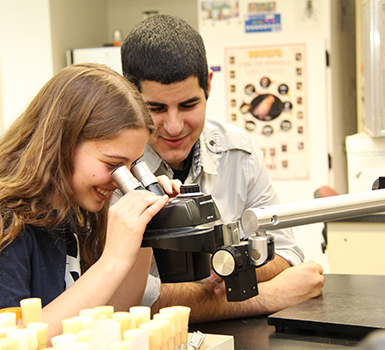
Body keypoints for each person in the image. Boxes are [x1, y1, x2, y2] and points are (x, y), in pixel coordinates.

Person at [0, 63, 180, 342]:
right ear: (62, 143)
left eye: (132, 166)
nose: (120, 181)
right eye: (113, 164)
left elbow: (110, 316)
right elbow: (5, 343)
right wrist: (112, 260)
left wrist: (147, 227)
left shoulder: (62, 210)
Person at [119, 14, 325, 323]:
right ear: (129, 96)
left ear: (209, 86)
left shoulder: (238, 153)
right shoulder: (114, 171)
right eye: (156, 109)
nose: (174, 127)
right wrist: (269, 294)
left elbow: (285, 254)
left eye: (188, 106)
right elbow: (136, 303)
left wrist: (226, 271)